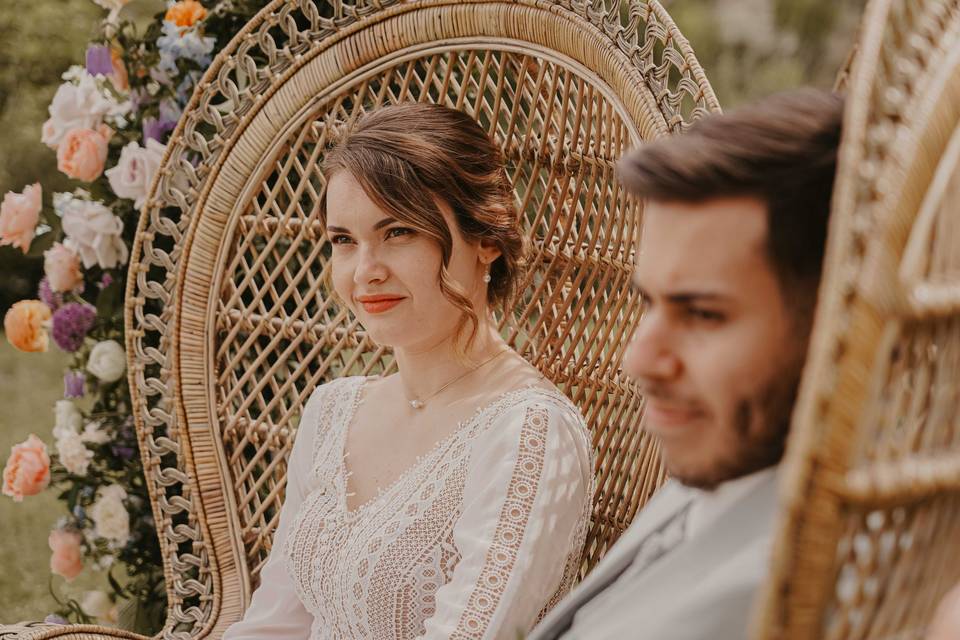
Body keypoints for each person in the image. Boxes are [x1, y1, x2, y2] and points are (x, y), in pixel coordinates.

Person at [222, 103, 594, 639]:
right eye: (344, 241)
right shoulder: (333, 411)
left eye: (398, 232)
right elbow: (275, 625)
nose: (365, 272)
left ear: (486, 240)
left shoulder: (528, 433)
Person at [529, 88, 844, 640]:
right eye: (647, 302)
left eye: (702, 313)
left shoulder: (799, 591)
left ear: (842, 320)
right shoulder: (730, 463)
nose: (638, 361)